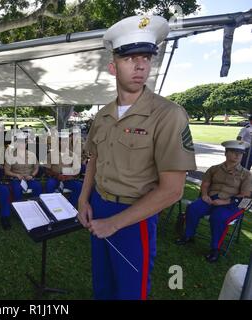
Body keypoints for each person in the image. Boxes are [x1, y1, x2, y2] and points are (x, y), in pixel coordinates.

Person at [78, 15, 197, 300]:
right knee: (103, 287)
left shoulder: (168, 115)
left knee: (131, 291)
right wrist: (83, 199)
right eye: (130, 58)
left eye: (145, 57)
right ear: (112, 66)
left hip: (134, 217)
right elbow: (93, 159)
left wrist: (115, 223)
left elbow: (173, 190)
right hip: (99, 206)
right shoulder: (102, 115)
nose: (140, 65)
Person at [176, 140, 252, 262]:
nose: (238, 155)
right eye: (234, 152)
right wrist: (205, 195)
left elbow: (245, 195)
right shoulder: (214, 169)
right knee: (193, 208)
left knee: (217, 218)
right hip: (210, 199)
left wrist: (225, 202)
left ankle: (214, 248)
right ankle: (188, 236)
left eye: (241, 153)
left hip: (230, 204)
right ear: (226, 153)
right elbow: (205, 184)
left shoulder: (246, 174)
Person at [44, 132, 83, 207]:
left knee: (79, 186)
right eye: (61, 140)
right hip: (55, 178)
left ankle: (71, 207)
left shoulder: (73, 155)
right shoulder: (50, 154)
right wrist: (56, 175)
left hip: (68, 179)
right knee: (49, 184)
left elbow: (77, 171)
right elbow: (47, 170)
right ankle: (52, 206)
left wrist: (68, 176)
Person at [4, 131, 42, 201]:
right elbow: (6, 171)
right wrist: (16, 175)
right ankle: (19, 207)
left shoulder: (32, 154)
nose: (23, 144)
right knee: (16, 189)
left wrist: (32, 175)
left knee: (38, 186)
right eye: (20, 142)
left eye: (24, 142)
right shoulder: (11, 155)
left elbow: (36, 167)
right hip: (16, 180)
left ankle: (36, 205)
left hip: (29, 179)